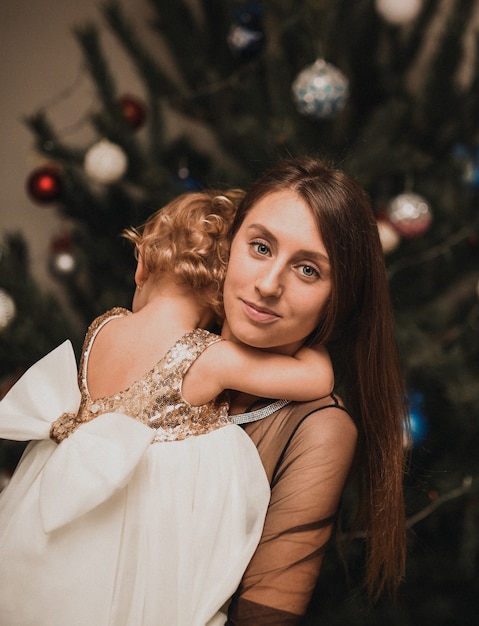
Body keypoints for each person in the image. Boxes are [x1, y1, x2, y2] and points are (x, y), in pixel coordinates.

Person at [0, 190, 335, 626]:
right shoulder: (206, 357)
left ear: (141, 265)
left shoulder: (105, 326)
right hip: (142, 533)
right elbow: (316, 380)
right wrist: (318, 342)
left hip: (56, 512)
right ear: (222, 299)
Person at [220, 156, 408, 624]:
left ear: (338, 298)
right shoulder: (158, 339)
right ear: (229, 243)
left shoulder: (320, 428)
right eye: (260, 247)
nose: (267, 285)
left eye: (308, 270)